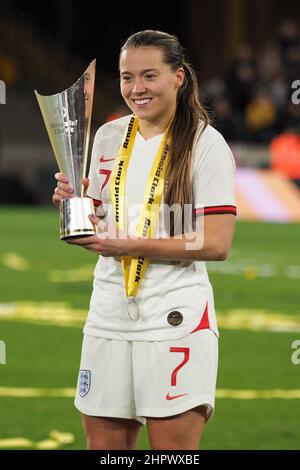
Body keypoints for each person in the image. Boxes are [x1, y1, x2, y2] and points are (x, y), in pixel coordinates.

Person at [52, 30, 237, 450]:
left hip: (176, 318)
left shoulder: (206, 145)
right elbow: (97, 225)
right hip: (108, 312)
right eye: (127, 77)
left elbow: (216, 243)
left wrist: (128, 245)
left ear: (179, 77)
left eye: (149, 75)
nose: (137, 89)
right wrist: (72, 207)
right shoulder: (106, 137)